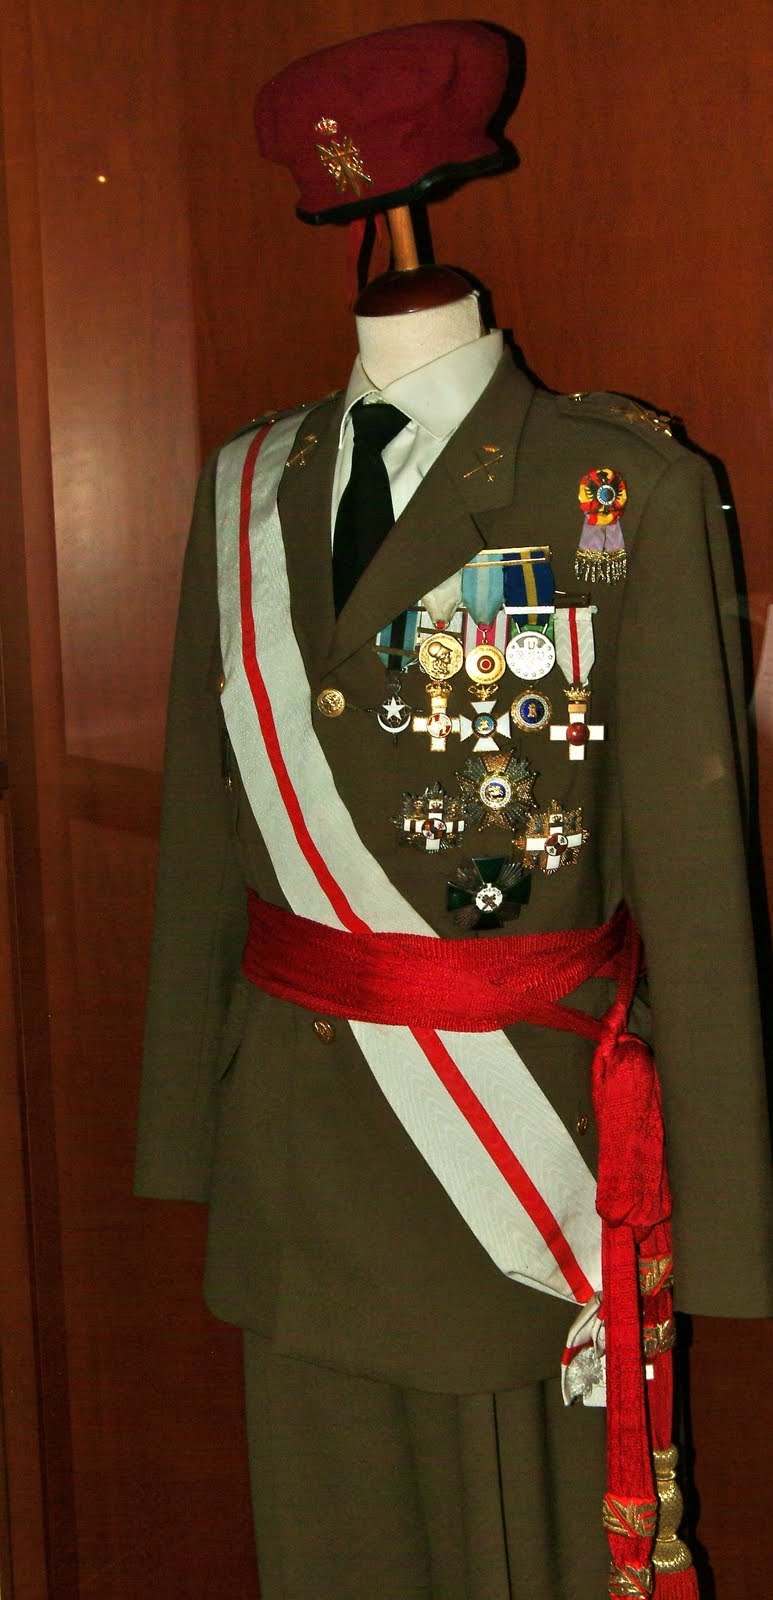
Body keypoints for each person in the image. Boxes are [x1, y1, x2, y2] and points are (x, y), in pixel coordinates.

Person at [135, 22, 772, 1600]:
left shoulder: (615, 489)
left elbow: (695, 876)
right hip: (298, 1154)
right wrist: (182, 1135)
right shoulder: (243, 486)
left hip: (509, 1165)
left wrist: (724, 1221)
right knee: (327, 1546)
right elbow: (204, 843)